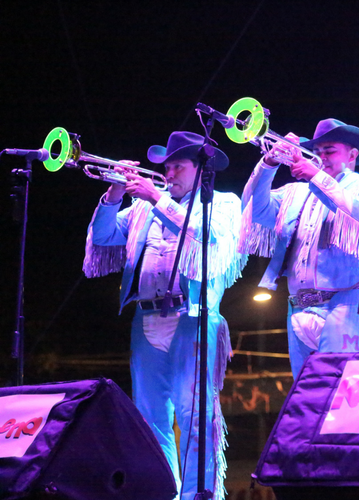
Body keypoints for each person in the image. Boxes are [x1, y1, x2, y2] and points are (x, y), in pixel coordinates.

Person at [82, 131, 246, 500]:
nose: (169, 173)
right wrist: (113, 195)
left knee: (195, 415)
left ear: (200, 168)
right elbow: (102, 237)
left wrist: (158, 199)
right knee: (149, 416)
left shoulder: (222, 203)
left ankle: (199, 495)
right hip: (146, 318)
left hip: (193, 316)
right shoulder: (142, 208)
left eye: (178, 166)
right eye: (167, 166)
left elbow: (207, 240)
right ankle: (163, 493)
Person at [239, 118, 359, 379]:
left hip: (344, 305)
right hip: (297, 308)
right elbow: (253, 209)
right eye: (317, 151)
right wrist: (268, 163)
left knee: (340, 387)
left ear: (352, 155)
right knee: (305, 392)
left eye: (329, 151)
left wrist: (317, 177)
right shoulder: (294, 192)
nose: (321, 157)